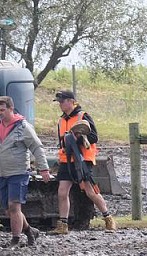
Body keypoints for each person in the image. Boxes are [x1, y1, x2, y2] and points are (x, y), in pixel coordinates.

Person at [0, 95, 50, 249]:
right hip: (2, 173)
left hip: (19, 172)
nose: (0, 113)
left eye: (2, 110)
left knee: (14, 206)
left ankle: (15, 240)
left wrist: (43, 168)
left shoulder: (23, 127)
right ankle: (30, 231)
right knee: (8, 211)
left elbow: (37, 147)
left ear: (11, 109)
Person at [49, 90, 116, 235]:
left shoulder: (83, 116)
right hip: (66, 160)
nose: (60, 104)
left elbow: (94, 137)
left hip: (82, 160)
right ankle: (63, 225)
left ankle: (108, 217)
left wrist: (78, 138)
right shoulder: (61, 121)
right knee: (62, 192)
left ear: (71, 101)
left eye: (62, 101)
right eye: (59, 102)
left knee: (90, 191)